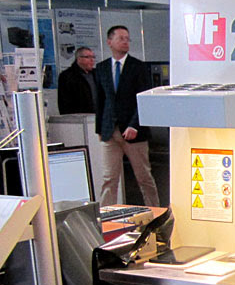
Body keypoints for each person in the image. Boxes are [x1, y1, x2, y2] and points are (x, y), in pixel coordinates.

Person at [94, 25, 160, 207]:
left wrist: (134, 125)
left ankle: (155, 211)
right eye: (121, 38)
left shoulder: (138, 67)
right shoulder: (101, 68)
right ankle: (106, 214)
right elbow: (100, 101)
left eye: (127, 39)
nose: (125, 42)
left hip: (134, 131)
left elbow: (144, 99)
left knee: (143, 177)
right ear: (110, 42)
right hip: (110, 130)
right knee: (109, 178)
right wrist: (100, 128)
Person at [57, 47, 99, 115]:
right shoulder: (67, 76)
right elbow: (64, 102)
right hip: (79, 117)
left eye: (93, 57)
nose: (92, 60)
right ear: (79, 59)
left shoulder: (96, 74)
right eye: (88, 57)